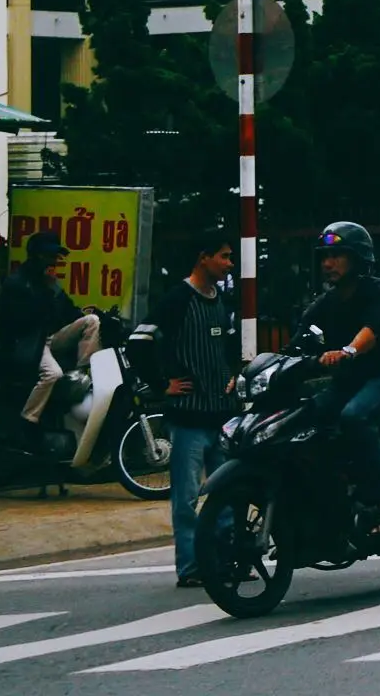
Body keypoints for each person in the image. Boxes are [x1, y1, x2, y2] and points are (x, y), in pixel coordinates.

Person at [299, 221, 380, 521]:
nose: (328, 263)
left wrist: (348, 350)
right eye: (324, 256)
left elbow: (371, 331)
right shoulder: (326, 303)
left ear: (357, 258)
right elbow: (296, 343)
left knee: (355, 416)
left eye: (337, 255)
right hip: (348, 384)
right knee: (304, 415)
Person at [157, 238, 241, 585]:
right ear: (202, 258)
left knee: (228, 494)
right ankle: (191, 568)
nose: (229, 263)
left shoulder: (223, 301)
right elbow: (141, 342)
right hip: (188, 419)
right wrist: (162, 384)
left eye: (231, 257)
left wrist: (233, 373)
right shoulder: (176, 300)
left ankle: (227, 562)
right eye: (223, 257)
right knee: (187, 498)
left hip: (221, 417)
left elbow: (231, 346)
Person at [0, 230, 101, 448]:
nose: (55, 261)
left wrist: (91, 314)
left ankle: (82, 375)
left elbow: (68, 312)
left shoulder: (49, 284)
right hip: (29, 341)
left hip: (48, 338)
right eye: (50, 256)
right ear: (37, 256)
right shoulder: (18, 283)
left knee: (91, 321)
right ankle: (28, 420)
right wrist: (47, 291)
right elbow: (25, 321)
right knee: (52, 374)